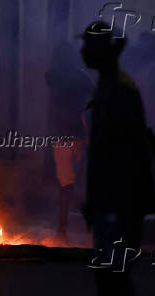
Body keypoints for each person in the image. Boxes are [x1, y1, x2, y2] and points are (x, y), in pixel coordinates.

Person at [79, 22, 155, 296]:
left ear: (104, 51)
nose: (84, 51)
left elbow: (131, 150)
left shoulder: (120, 90)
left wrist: (121, 205)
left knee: (113, 278)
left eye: (88, 45)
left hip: (118, 203)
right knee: (109, 277)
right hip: (110, 202)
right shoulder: (107, 86)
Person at [45, 41, 94, 243]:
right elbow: (92, 94)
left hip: (63, 133)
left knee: (66, 184)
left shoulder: (53, 75)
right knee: (78, 181)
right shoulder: (81, 77)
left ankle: (62, 229)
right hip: (78, 133)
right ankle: (85, 229)